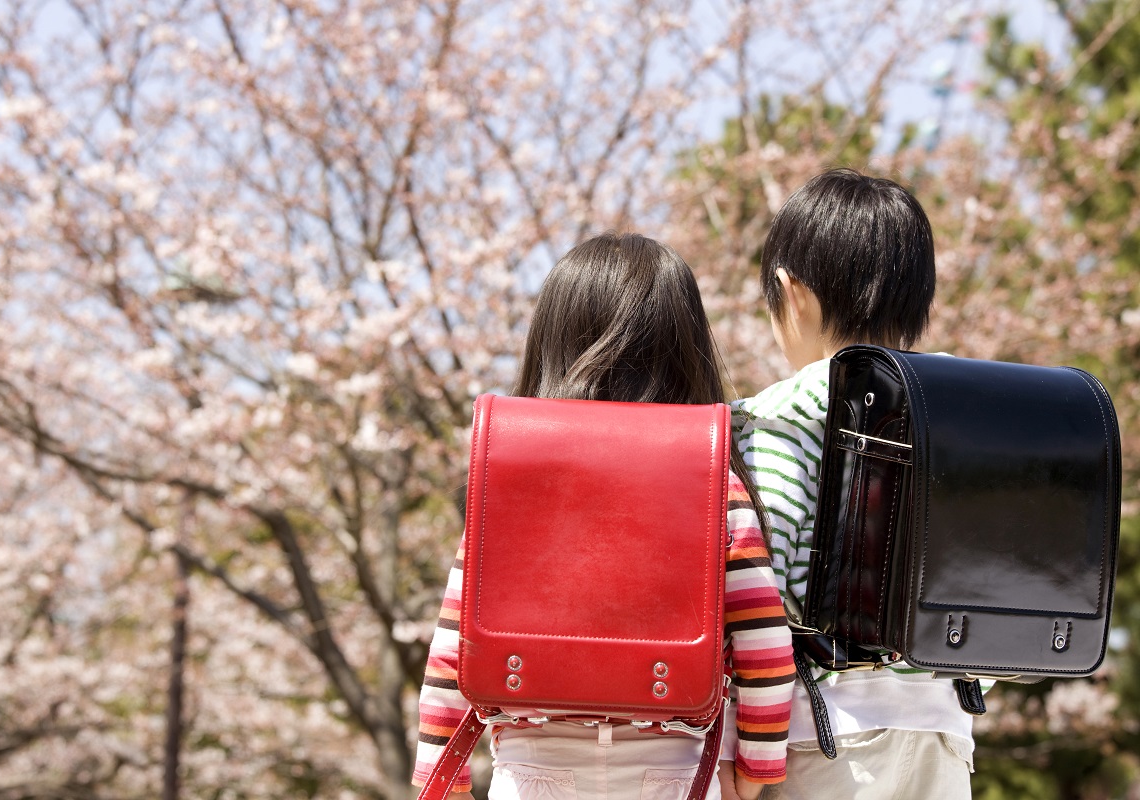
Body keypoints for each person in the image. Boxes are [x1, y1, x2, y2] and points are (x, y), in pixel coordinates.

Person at [412, 233, 795, 800]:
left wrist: (440, 780)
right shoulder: (711, 477)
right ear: (685, 345)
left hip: (532, 769)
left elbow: (454, 647)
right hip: (674, 768)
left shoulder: (512, 476)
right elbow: (765, 642)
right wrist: (755, 771)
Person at [732, 168, 975, 799]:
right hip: (947, 737)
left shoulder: (778, 416)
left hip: (826, 737)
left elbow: (768, 596)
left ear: (792, 292)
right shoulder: (971, 410)